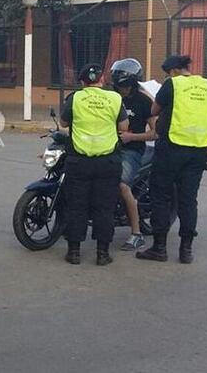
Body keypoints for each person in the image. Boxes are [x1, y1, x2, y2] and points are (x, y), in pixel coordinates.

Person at [137, 55, 207, 264]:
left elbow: (154, 110)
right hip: (199, 149)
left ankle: (159, 248)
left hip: (172, 148)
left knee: (161, 196)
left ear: (172, 71)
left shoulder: (172, 84)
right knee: (188, 199)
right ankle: (186, 250)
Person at [60, 63, 129, 266]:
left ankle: (74, 252)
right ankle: (102, 254)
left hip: (79, 161)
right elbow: (124, 126)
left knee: (76, 206)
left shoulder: (75, 98)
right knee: (104, 208)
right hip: (107, 162)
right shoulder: (115, 98)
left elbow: (64, 124)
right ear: (102, 80)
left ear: (82, 82)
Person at [109, 59, 157, 251]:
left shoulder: (144, 101)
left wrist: (132, 137)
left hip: (132, 150)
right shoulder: (110, 96)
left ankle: (136, 234)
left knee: (122, 185)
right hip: (108, 146)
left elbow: (156, 132)